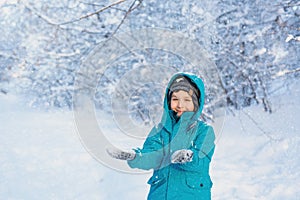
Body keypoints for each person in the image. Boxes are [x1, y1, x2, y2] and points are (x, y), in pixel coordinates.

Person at [107, 72, 215, 200]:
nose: (180, 105)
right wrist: (135, 156)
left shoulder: (204, 131)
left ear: (196, 103)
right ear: (168, 102)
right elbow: (152, 156)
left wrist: (187, 156)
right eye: (175, 99)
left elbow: (201, 160)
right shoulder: (160, 131)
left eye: (186, 100)